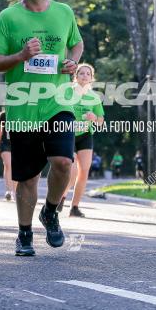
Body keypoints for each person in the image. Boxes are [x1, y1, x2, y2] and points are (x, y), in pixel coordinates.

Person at [0, 0, 83, 257]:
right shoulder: (8, 18)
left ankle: (51, 211)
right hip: (22, 106)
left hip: (57, 102)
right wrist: (20, 55)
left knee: (64, 162)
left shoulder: (64, 12)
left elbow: (76, 43)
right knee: (27, 178)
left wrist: (73, 62)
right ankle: (24, 234)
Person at [61, 63, 104, 217]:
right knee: (71, 171)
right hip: (69, 134)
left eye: (88, 74)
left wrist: (94, 117)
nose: (85, 76)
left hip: (86, 134)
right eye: (81, 73)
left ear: (91, 78)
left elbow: (100, 121)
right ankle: (62, 195)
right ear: (76, 76)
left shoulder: (94, 97)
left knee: (84, 171)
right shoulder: (68, 92)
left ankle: (75, 207)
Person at [0, 109, 15, 201]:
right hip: (5, 144)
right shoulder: (3, 115)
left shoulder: (23, 113)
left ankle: (15, 191)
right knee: (8, 164)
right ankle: (8, 191)